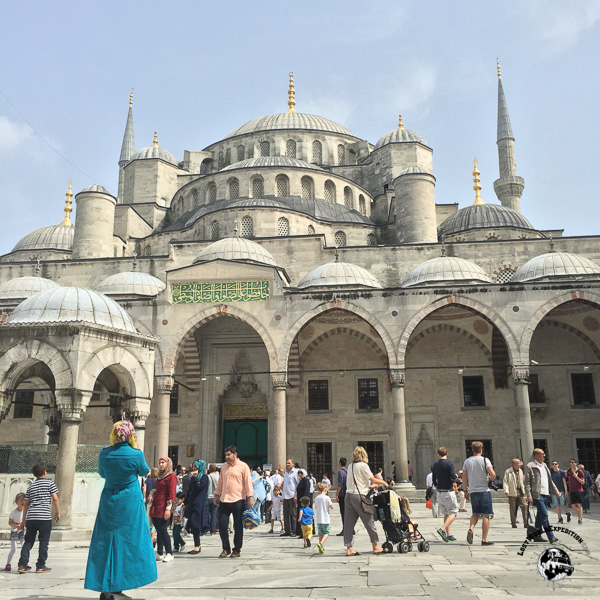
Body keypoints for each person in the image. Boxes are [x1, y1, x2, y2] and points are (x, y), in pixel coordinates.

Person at [84, 421, 157, 598]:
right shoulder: (135, 454)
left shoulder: (105, 454)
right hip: (130, 503)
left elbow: (102, 473)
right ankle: (120, 585)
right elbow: (144, 471)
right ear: (131, 435)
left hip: (109, 501)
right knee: (129, 541)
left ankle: (105, 586)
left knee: (106, 541)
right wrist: (136, 447)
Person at [344, 446, 388, 556]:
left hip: (348, 495)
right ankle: (375, 546)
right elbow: (372, 479)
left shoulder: (350, 466)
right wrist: (383, 482)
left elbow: (356, 482)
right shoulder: (363, 465)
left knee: (348, 523)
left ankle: (349, 548)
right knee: (369, 521)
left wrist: (368, 487)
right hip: (359, 497)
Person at [17, 462, 59, 574]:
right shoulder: (50, 484)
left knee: (28, 541)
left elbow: (26, 504)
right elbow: (55, 498)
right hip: (44, 517)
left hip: (31, 517)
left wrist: (24, 519)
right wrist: (57, 512)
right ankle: (40, 565)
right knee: (44, 541)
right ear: (45, 472)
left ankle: (22, 565)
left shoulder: (31, 487)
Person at [214, 445, 254, 558]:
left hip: (238, 500)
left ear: (235, 454)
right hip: (224, 500)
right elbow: (220, 482)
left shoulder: (243, 466)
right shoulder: (224, 467)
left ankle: (236, 550)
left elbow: (248, 482)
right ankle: (225, 548)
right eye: (225, 455)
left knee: (238, 526)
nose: (226, 457)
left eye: (228, 455)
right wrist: (217, 495)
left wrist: (250, 497)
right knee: (222, 525)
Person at [462, 441, 495, 546]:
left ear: (472, 450)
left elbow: (464, 477)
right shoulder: (485, 460)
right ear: (481, 449)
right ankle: (484, 539)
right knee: (486, 515)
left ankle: (471, 528)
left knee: (475, 513)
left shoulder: (467, 461)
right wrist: (490, 480)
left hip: (473, 491)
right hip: (484, 491)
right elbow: (493, 474)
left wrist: (465, 490)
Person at [524, 448, 559, 543]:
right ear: (536, 456)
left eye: (544, 454)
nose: (544, 455)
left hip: (546, 493)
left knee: (540, 516)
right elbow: (527, 482)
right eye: (542, 454)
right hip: (537, 494)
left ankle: (536, 536)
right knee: (544, 514)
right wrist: (529, 494)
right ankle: (551, 536)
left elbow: (549, 480)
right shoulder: (530, 466)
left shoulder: (545, 465)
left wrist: (556, 491)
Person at [149, 456, 177, 562]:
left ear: (168, 464)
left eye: (163, 463)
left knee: (163, 530)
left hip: (164, 507)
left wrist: (168, 508)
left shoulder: (171, 476)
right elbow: (158, 488)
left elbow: (171, 493)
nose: (161, 464)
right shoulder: (160, 476)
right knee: (159, 530)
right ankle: (160, 552)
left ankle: (169, 552)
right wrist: (152, 493)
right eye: (160, 462)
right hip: (156, 505)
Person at [432, 446, 458, 542]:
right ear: (446, 453)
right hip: (448, 491)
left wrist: (436, 486)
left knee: (446, 514)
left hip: (440, 492)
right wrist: (457, 475)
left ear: (438, 454)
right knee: (454, 512)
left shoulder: (435, 465)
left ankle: (448, 534)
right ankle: (443, 529)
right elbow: (452, 476)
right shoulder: (449, 463)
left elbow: (434, 479)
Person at [185, 460, 209, 554]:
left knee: (196, 524)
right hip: (192, 503)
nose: (194, 468)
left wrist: (195, 478)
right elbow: (190, 490)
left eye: (196, 466)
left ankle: (197, 546)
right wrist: (185, 502)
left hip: (199, 504)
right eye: (193, 466)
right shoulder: (193, 478)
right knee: (193, 525)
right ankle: (196, 545)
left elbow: (199, 488)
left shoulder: (204, 477)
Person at [503, 458, 528, 528]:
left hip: (520, 491)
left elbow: (522, 481)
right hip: (512, 492)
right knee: (513, 509)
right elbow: (505, 481)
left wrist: (525, 491)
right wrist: (506, 490)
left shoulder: (520, 471)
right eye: (518, 463)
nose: (520, 465)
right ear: (514, 464)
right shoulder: (508, 471)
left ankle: (526, 523)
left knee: (524, 506)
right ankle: (513, 523)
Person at [5, 492, 26, 571]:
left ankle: (24, 562)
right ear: (16, 502)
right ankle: (8, 563)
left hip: (22, 531)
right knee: (14, 549)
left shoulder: (26, 512)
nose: (23, 502)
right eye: (21, 500)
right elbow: (10, 522)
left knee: (24, 547)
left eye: (24, 500)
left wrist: (24, 526)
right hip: (15, 531)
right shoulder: (13, 512)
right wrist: (17, 526)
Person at [281, 458, 299, 537]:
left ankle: (294, 530)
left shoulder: (295, 472)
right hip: (285, 495)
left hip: (292, 495)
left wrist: (296, 495)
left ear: (293, 464)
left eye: (289, 463)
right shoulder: (286, 473)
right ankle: (287, 530)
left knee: (293, 514)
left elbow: (297, 484)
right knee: (286, 514)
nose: (287, 465)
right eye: (287, 463)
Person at [314, 482, 333, 554]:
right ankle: (321, 543)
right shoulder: (327, 498)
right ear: (325, 489)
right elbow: (331, 506)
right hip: (325, 518)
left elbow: (315, 507)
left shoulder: (316, 498)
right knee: (327, 532)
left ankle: (321, 548)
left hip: (319, 518)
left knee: (320, 533)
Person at [566, 459, 585, 524]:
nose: (571, 463)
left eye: (572, 462)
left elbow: (583, 482)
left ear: (576, 463)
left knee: (579, 504)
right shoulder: (569, 471)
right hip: (572, 490)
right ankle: (580, 514)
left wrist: (576, 477)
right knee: (573, 505)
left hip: (579, 490)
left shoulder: (580, 471)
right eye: (570, 462)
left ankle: (579, 519)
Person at [296, 469, 312, 537]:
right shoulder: (301, 481)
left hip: (304, 502)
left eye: (301, 473)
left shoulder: (306, 480)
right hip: (301, 501)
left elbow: (306, 491)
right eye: (299, 473)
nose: (300, 474)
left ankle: (306, 532)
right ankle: (300, 531)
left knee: (304, 515)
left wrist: (304, 501)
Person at [205, 463, 219, 535]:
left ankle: (205, 530)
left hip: (207, 497)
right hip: (215, 497)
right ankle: (213, 531)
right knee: (214, 514)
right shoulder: (218, 477)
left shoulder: (207, 477)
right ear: (215, 469)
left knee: (207, 514)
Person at [335, 457, 348, 536]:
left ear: (340, 463)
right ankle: (351, 529)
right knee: (348, 513)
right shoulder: (347, 471)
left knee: (343, 512)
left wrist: (337, 494)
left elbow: (340, 484)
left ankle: (345, 529)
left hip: (342, 494)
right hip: (348, 494)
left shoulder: (340, 472)